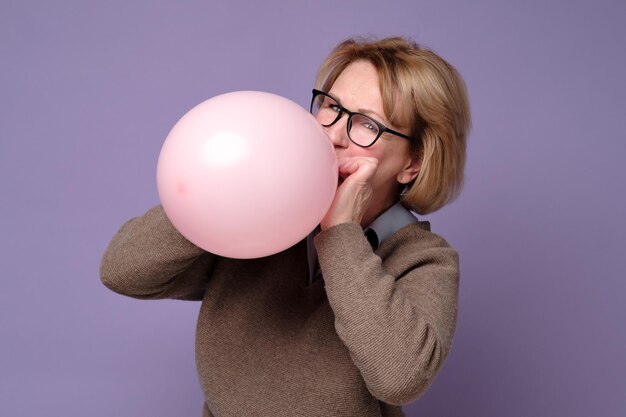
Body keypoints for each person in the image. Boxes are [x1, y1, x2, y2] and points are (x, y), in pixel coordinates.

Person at [100, 36, 471, 417]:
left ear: (414, 162)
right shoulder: (258, 219)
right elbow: (122, 272)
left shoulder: (426, 260)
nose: (334, 135)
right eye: (330, 107)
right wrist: (216, 190)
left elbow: (400, 379)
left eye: (366, 125)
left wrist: (340, 234)